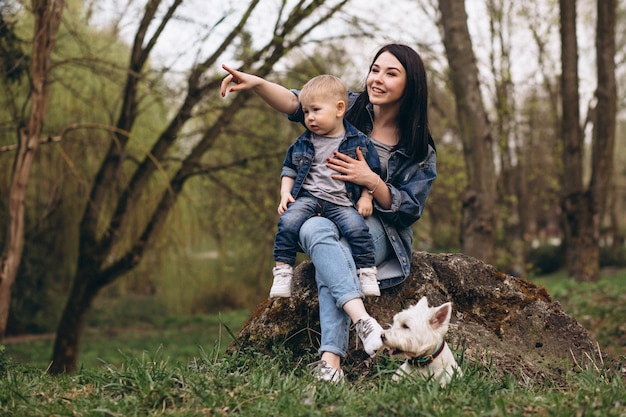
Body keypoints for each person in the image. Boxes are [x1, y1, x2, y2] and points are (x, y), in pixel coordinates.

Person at [220, 43, 437, 383]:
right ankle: (362, 322)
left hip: (375, 226)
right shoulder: (349, 106)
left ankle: (330, 362)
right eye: (375, 69)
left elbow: (410, 208)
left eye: (391, 74)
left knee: (335, 257)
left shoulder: (417, 145)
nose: (377, 79)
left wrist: (371, 180)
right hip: (324, 211)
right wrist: (257, 83)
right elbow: (297, 102)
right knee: (312, 231)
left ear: (411, 86)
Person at [270, 74, 382, 299]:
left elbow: (372, 173)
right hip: (309, 198)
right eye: (305, 112)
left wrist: (366, 198)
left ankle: (367, 272)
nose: (309, 118)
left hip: (342, 202)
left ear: (339, 109)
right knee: (288, 222)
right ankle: (282, 272)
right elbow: (289, 169)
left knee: (358, 229)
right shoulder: (303, 142)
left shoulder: (359, 142)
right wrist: (285, 193)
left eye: (316, 110)